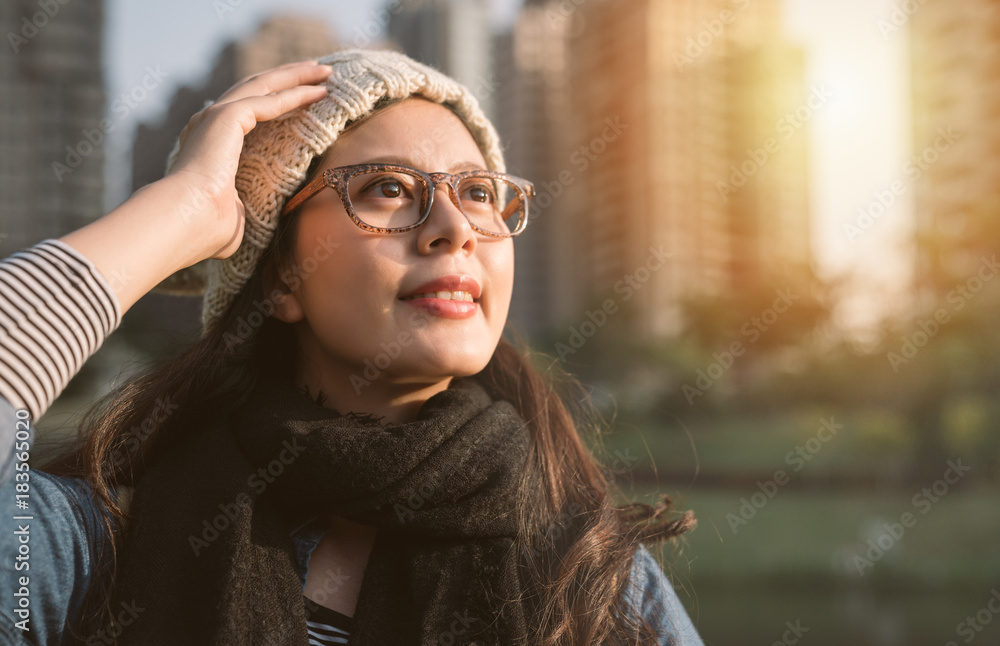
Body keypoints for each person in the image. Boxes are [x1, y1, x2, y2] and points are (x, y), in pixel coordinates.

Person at [0, 49, 703, 646]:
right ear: (280, 276)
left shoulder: (593, 579)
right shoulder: (97, 548)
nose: (454, 228)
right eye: (389, 189)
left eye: (480, 192)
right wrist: (183, 207)